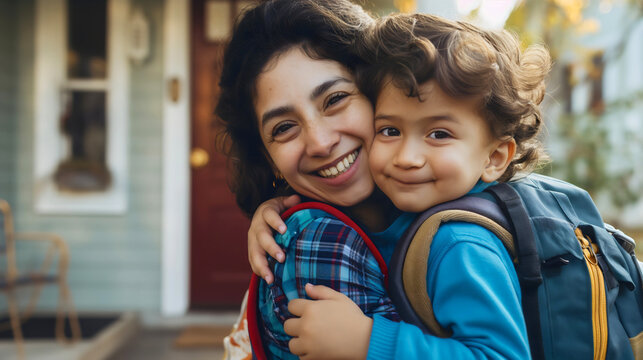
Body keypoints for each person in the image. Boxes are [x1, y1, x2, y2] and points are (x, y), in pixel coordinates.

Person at [251, 12, 551, 359]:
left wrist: (369, 341)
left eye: (439, 134)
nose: (407, 157)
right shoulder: (411, 211)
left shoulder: (460, 244)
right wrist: (274, 208)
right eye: (390, 131)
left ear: (495, 157)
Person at [215, 1, 413, 359]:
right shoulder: (319, 246)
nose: (321, 142)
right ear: (268, 159)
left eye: (335, 99)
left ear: (383, 92)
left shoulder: (449, 200)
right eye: (285, 128)